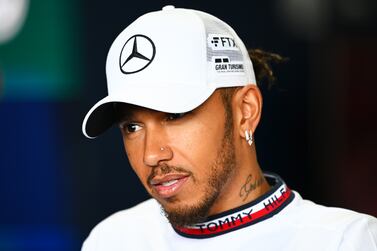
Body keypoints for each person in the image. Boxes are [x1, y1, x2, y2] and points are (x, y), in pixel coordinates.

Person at [81, 6, 377, 251]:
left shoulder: (346, 240)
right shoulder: (113, 239)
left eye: (175, 114)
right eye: (132, 126)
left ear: (245, 111)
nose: (151, 154)